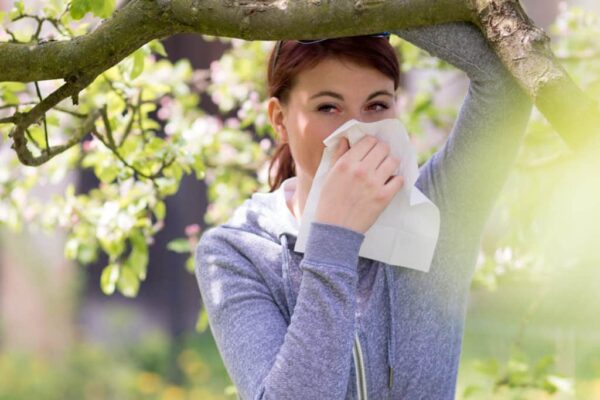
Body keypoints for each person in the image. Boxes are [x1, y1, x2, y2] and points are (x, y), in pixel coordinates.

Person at [195, 22, 532, 400]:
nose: (356, 130)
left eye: (376, 105)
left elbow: (510, 74)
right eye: (328, 107)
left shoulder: (438, 212)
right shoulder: (237, 252)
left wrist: (378, 11)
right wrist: (335, 236)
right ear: (279, 120)